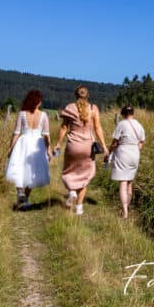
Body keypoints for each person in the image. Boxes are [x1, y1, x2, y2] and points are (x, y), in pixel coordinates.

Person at [56, 85, 107, 214]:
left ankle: (72, 192)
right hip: (88, 147)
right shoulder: (93, 108)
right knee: (84, 176)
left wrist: (58, 143)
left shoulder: (69, 108)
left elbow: (63, 127)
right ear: (87, 95)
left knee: (68, 172)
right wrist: (104, 145)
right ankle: (79, 208)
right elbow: (98, 128)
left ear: (75, 95)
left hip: (73, 145)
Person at [4, 90, 52, 210]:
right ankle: (25, 199)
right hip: (37, 144)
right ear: (39, 102)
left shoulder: (22, 114)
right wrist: (48, 150)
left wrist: (11, 148)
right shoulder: (44, 115)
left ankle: (20, 193)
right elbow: (46, 135)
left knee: (19, 168)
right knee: (33, 171)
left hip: (23, 142)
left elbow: (16, 133)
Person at [106, 105, 145, 218]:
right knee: (129, 183)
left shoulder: (121, 124)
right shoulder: (139, 125)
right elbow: (141, 143)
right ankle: (126, 208)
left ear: (122, 114)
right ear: (133, 113)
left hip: (123, 153)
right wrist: (135, 150)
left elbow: (115, 143)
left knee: (123, 182)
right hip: (135, 153)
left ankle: (125, 212)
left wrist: (109, 152)